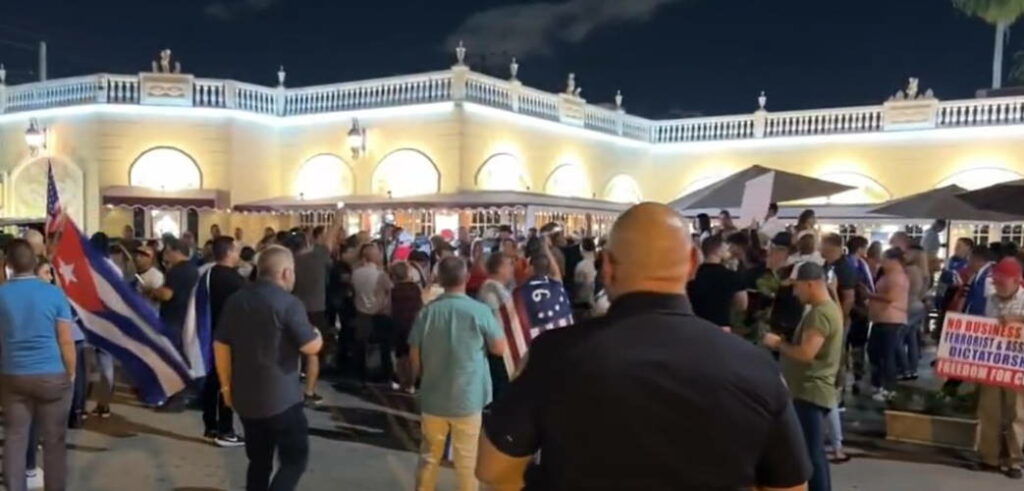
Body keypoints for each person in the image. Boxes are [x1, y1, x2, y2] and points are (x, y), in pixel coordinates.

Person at [477, 203, 809, 490]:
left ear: (606, 265)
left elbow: (494, 470)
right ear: (692, 262)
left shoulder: (554, 355)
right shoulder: (755, 367)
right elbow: (790, 485)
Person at [214, 246, 323, 491]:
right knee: (294, 461)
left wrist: (226, 387)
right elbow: (310, 347)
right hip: (282, 399)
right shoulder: (289, 303)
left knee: (259, 462)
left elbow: (220, 345)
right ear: (285, 273)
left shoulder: (237, 300)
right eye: (293, 271)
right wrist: (318, 335)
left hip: (245, 397)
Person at [409, 256, 507, 491]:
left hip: (434, 395)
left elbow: (414, 351)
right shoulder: (480, 311)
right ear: (466, 277)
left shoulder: (427, 312)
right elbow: (498, 348)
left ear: (440, 279)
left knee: (429, 455)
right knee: (466, 458)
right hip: (468, 396)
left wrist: (418, 379)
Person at [0, 239, 76, 491]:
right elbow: (65, 340)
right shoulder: (53, 293)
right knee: (54, 439)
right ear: (34, 262)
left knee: (15, 436)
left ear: (8, 264)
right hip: (51, 374)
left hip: (13, 375)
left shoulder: (2, 294)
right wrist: (71, 371)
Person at [763, 262, 844, 491]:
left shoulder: (820, 314)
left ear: (810, 284)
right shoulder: (827, 310)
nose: (795, 292)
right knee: (814, 451)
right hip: (812, 390)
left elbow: (806, 353)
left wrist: (778, 343)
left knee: (810, 453)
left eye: (797, 287)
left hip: (810, 392)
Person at [976, 257, 1024, 479]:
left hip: (1018, 365)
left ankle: (1015, 460)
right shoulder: (991, 300)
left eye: (1001, 281)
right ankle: (990, 457)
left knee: (1017, 413)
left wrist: (1016, 320)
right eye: (995, 281)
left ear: (1016, 280)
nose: (997, 285)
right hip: (993, 363)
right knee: (989, 410)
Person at [201, 236, 246, 447]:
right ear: (228, 252)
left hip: (209, 334)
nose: (238, 255)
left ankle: (210, 425)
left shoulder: (207, 275)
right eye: (236, 251)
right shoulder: (236, 281)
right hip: (229, 338)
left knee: (212, 382)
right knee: (226, 384)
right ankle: (226, 430)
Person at [289, 229, 333, 405]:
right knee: (313, 352)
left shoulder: (291, 262)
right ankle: (309, 391)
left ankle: (290, 387)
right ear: (308, 242)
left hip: (295, 308)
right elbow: (330, 241)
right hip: (316, 309)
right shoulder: (318, 257)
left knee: (293, 350)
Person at [867, 248, 909, 402]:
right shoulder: (888, 275)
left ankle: (888, 388)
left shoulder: (897, 277)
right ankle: (878, 384)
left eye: (885, 259)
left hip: (890, 320)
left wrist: (869, 295)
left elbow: (891, 297)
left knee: (887, 355)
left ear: (894, 261)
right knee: (875, 352)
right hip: (882, 319)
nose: (882, 263)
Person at [351, 243, 392, 384]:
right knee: (381, 347)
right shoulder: (380, 275)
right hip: (378, 314)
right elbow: (390, 290)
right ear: (375, 257)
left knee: (361, 345)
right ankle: (382, 374)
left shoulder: (356, 273)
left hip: (361, 313)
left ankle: (361, 374)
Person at [477, 252, 516, 396]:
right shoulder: (490, 292)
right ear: (499, 268)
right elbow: (496, 323)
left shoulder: (500, 289)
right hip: (498, 350)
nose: (512, 268)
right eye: (509, 265)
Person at [687, 235, 746, 328]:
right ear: (718, 251)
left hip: (695, 327)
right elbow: (742, 304)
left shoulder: (692, 275)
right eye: (725, 248)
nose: (728, 251)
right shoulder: (731, 275)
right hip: (721, 329)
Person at [152, 237, 199, 354]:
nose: (165, 255)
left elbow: (167, 294)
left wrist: (154, 291)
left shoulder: (177, 270)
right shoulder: (193, 269)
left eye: (168, 252)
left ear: (177, 252)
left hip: (173, 319)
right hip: (186, 318)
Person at [389, 261, 423, 391]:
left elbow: (388, 307)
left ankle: (403, 381)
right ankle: (412, 382)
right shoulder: (415, 288)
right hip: (413, 323)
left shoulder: (394, 290)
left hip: (398, 324)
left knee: (400, 355)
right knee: (412, 354)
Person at [846, 236, 873, 393]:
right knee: (858, 345)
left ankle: (846, 378)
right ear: (860, 248)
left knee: (847, 345)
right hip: (858, 310)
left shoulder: (846, 264)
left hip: (849, 310)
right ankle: (857, 377)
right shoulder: (860, 265)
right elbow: (869, 287)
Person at [899, 245, 929, 381]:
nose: (904, 255)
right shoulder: (923, 272)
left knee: (898, 338)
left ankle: (904, 369)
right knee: (912, 339)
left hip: (909, 306)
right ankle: (913, 369)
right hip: (918, 305)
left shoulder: (908, 271)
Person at [572, 237, 598, 320]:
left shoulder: (581, 266)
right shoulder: (598, 261)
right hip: (597, 302)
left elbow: (578, 288)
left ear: (582, 249)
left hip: (586, 305)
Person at [134, 244, 165, 312]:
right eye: (136, 255)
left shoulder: (156, 276)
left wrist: (150, 291)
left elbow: (158, 297)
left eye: (141, 256)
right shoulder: (134, 274)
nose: (137, 258)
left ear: (150, 258)